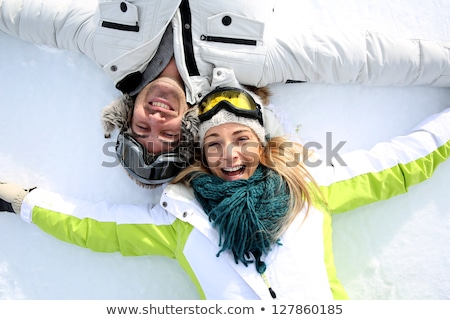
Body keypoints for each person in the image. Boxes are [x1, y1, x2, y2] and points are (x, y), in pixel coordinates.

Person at [1, 87, 449, 299]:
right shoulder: (180, 219)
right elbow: (96, 226)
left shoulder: (310, 189)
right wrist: (23, 201)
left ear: (264, 144)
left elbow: (399, 164)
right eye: (214, 145)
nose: (229, 155)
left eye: (242, 141)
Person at [3, 0, 450, 186]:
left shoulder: (105, 49)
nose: (157, 117)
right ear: (190, 126)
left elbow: (25, 18)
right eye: (167, 130)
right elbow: (362, 59)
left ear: (126, 115)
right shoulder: (248, 67)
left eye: (142, 127)